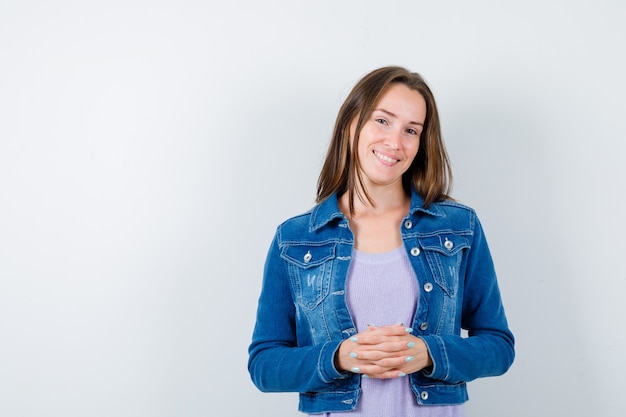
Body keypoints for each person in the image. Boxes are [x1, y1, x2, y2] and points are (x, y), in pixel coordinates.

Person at [248, 66, 514, 416]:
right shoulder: (296, 239)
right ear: (350, 124)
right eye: (382, 121)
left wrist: (431, 353)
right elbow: (264, 364)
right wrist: (339, 357)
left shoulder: (458, 227)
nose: (395, 142)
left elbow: (498, 346)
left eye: (411, 130)